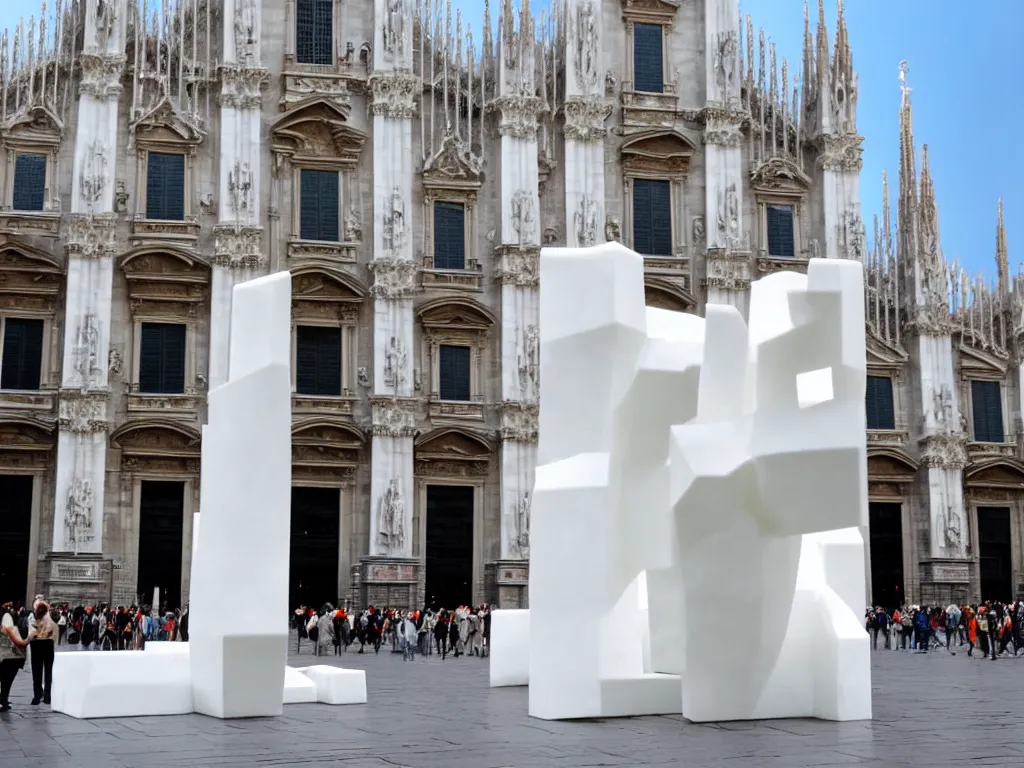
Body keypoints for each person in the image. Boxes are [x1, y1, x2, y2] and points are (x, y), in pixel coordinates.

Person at [0, 602, 30, 712]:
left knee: (6, 679)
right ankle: (3, 700)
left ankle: (3, 700)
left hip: (8, 656)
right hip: (13, 657)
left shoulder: (7, 620)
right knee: (7, 680)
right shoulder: (11, 620)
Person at [28, 601, 56, 705]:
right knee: (48, 672)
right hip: (48, 644)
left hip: (36, 645)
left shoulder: (32, 617)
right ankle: (48, 696)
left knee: (36, 672)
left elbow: (31, 634)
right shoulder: (50, 617)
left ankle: (37, 696)